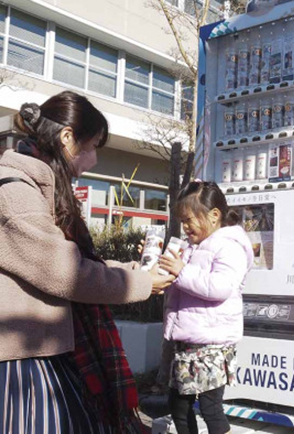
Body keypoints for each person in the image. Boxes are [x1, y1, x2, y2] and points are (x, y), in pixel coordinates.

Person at [0, 91, 174, 434]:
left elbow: (74, 262)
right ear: (67, 138)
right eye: (93, 146)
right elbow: (66, 272)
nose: (93, 160)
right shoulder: (15, 192)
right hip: (23, 363)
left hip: (43, 351)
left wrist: (134, 271)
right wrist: (141, 283)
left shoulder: (40, 188)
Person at [158, 181, 253, 434]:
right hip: (186, 343)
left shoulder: (230, 246)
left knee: (211, 409)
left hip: (212, 345)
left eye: (189, 220)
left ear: (214, 215)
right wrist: (156, 265)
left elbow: (219, 287)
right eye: (182, 221)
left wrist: (180, 271)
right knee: (178, 406)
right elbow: (179, 284)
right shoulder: (191, 247)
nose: (185, 227)